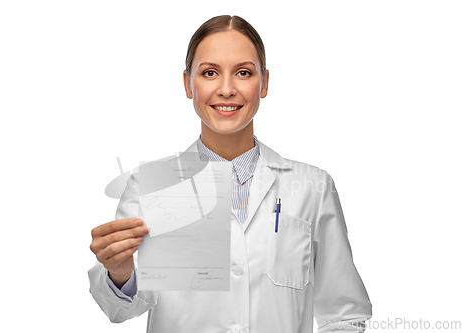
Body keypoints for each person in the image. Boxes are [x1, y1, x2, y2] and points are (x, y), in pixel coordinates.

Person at [88, 15, 372, 332]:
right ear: (187, 83)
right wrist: (119, 272)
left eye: (243, 73)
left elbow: (345, 314)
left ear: (264, 83)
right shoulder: (152, 185)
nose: (226, 89)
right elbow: (122, 309)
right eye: (210, 73)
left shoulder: (312, 188)